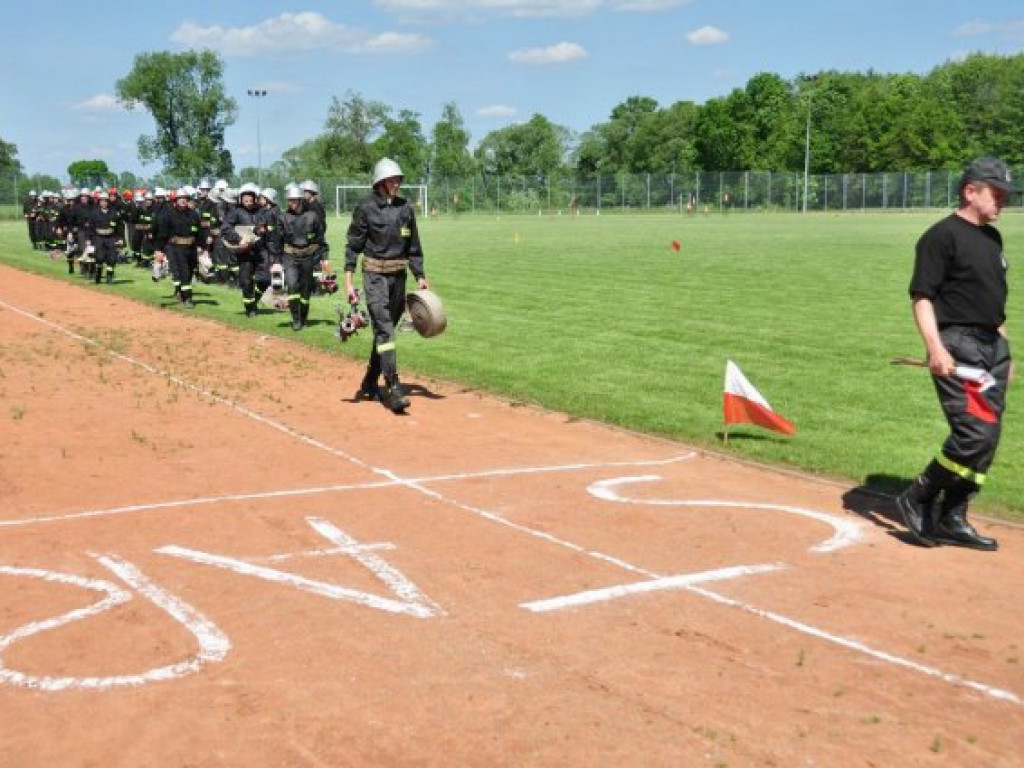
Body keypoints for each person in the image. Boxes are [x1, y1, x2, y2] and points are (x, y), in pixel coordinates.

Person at [896, 157, 1014, 551]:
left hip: (991, 347)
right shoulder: (941, 236)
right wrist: (935, 347)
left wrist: (1005, 350)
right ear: (970, 191)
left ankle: (953, 516)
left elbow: (992, 301)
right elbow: (922, 297)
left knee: (988, 438)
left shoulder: (992, 239)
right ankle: (917, 495)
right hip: (958, 345)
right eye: (996, 193)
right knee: (973, 433)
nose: (1003, 201)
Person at [344, 158, 429, 413]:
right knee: (384, 330)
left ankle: (370, 381)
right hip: (374, 277)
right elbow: (353, 246)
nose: (397, 184)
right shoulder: (366, 208)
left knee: (386, 331)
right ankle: (393, 387)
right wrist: (348, 281)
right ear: (380, 183)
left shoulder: (405, 209)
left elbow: (413, 246)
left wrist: (420, 275)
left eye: (398, 180)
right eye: (392, 180)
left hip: (398, 277)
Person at [280, 183, 324, 330]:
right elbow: (277, 239)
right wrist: (276, 260)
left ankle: (304, 318)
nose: (291, 203)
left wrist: (316, 257)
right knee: (292, 285)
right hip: (290, 256)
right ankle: (295, 319)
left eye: (294, 200)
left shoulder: (312, 217)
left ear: (300, 200)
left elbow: (319, 238)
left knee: (305, 290)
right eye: (289, 200)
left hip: (308, 257)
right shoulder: (283, 217)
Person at [153, 187, 202, 308]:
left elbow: (198, 233)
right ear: (175, 201)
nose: (183, 201)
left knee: (190, 273)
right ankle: (187, 298)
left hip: (191, 248)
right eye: (180, 199)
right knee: (183, 272)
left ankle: (181, 292)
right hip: (176, 248)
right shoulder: (168, 215)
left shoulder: (194, 215)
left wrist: (203, 247)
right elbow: (162, 234)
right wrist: (159, 250)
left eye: (185, 199)